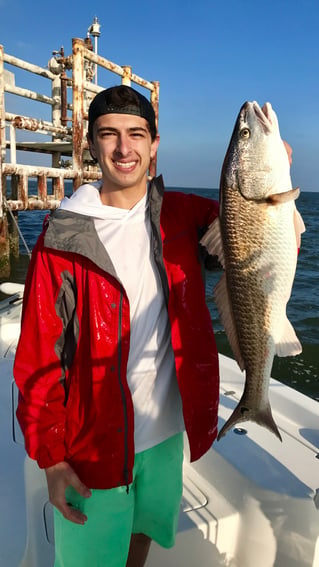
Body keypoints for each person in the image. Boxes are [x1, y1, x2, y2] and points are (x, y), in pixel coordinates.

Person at [13, 85, 220, 567]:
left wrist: (270, 179)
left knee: (141, 536)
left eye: (135, 134)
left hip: (165, 434)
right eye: (109, 135)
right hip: (92, 443)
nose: (124, 149)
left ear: (154, 144)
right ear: (91, 144)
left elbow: (260, 243)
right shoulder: (62, 236)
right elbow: (40, 356)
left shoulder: (184, 214)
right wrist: (52, 458)